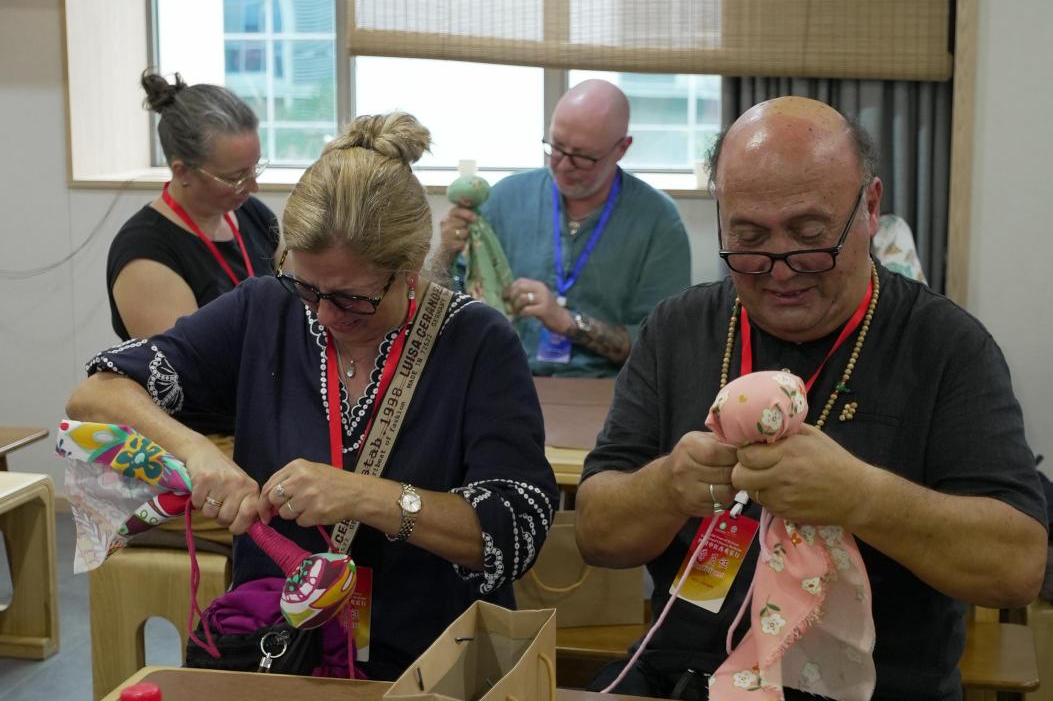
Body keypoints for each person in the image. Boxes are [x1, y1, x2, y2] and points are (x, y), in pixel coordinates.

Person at [574, 97, 1049, 700]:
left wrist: (862, 497)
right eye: (749, 238)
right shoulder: (677, 330)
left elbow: (1017, 568)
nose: (780, 269)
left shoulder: (945, 345)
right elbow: (596, 533)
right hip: (683, 676)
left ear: (870, 208)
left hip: (874, 689)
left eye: (809, 235)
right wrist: (666, 487)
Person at [68, 112, 558, 681]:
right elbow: (96, 395)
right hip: (282, 651)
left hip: (429, 661)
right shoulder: (265, 311)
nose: (324, 314)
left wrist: (366, 497)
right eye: (307, 287)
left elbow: (514, 533)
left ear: (409, 269)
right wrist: (197, 453)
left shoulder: (475, 341)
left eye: (351, 298)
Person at [434, 79, 691, 377]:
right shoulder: (505, 198)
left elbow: (663, 346)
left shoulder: (658, 221)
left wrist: (567, 321)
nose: (564, 165)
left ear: (622, 148)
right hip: (506, 376)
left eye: (583, 157)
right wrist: (445, 252)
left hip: (606, 387)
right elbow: (448, 307)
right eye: (556, 147)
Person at [106, 71, 279, 436]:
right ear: (182, 171)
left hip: (262, 415)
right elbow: (191, 374)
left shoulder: (252, 215)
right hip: (201, 438)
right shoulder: (146, 252)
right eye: (236, 177)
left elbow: (298, 299)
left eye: (255, 169)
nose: (253, 186)